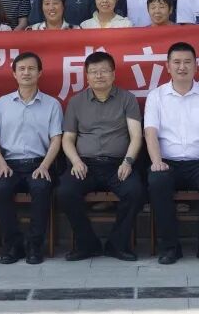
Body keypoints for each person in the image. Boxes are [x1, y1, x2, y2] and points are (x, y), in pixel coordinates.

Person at [56, 51, 145, 261]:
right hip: (85, 165)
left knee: (135, 192)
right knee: (65, 192)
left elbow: (136, 136)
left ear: (113, 74)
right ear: (86, 76)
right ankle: (88, 244)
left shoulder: (127, 99)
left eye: (104, 71)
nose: (99, 76)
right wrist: (76, 161)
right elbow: (68, 138)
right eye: (93, 72)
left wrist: (128, 162)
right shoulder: (76, 102)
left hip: (118, 165)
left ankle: (117, 244)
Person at [144, 42, 199, 265]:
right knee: (157, 181)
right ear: (167, 66)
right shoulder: (156, 96)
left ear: (196, 66)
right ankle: (170, 248)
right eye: (177, 62)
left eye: (187, 62)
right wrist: (156, 161)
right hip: (166, 162)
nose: (182, 67)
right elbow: (150, 132)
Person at [0, 52, 63, 265]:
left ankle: (35, 245)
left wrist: (45, 165)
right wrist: (1, 164)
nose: (26, 73)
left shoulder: (52, 104)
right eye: (21, 69)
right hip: (9, 165)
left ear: (40, 73)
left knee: (41, 188)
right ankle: (13, 245)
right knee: (0, 188)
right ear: (14, 74)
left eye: (31, 69)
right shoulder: (2, 104)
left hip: (39, 164)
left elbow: (56, 138)